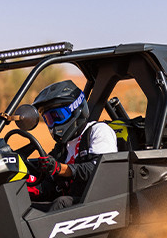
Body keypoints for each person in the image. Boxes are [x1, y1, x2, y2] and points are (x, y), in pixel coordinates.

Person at [26, 80, 118, 211]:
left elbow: (100, 170)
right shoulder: (64, 145)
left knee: (60, 203)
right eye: (49, 119)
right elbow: (50, 175)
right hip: (69, 200)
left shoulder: (99, 130)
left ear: (76, 110)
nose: (54, 124)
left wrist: (60, 168)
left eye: (58, 116)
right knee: (23, 201)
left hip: (94, 201)